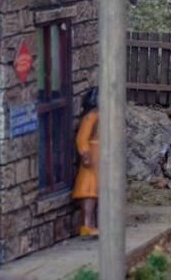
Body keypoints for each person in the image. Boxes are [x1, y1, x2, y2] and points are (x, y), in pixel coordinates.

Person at [73, 88, 99, 237]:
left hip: (101, 158)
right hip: (93, 157)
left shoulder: (101, 116)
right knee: (89, 191)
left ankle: (94, 224)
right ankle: (87, 225)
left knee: (98, 192)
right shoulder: (90, 117)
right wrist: (85, 154)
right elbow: (82, 138)